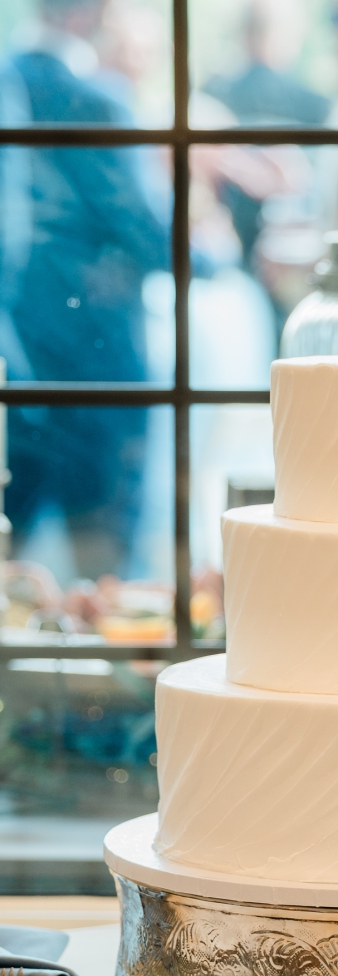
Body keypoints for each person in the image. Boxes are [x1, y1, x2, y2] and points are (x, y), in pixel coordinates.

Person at [6, 0, 171, 583]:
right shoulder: (98, 100)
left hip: (16, 367)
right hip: (97, 363)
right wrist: (215, 251)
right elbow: (152, 236)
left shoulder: (8, 82)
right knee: (108, 572)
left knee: (8, 558)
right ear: (88, 13)